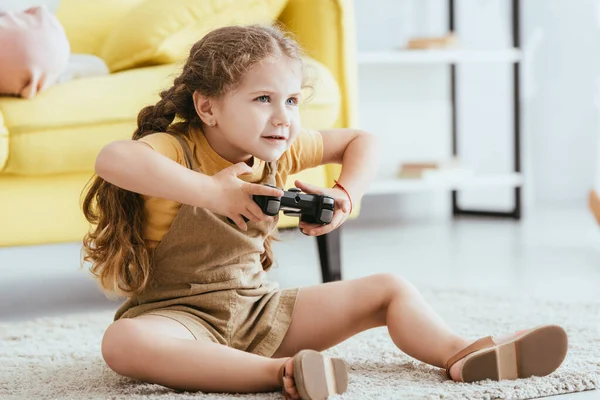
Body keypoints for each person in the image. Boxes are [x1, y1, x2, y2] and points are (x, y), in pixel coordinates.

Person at [82, 25, 568, 400]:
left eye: (291, 100)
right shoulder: (175, 147)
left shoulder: (280, 152)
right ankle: (284, 375)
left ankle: (462, 354)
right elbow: (113, 159)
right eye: (263, 99)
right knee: (123, 343)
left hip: (259, 312)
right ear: (207, 108)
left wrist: (345, 195)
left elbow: (363, 141)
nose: (283, 117)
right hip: (179, 319)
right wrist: (212, 193)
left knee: (389, 289)